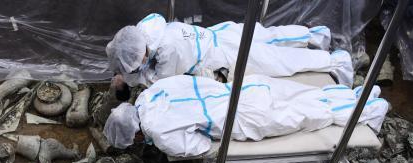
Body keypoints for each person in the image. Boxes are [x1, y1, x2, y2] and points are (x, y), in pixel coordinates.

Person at [103, 74, 388, 159]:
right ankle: (358, 95)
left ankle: (371, 109)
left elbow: (199, 147)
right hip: (245, 87)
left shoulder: (159, 133)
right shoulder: (152, 93)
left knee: (313, 115)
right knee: (307, 96)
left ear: (135, 135)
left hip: (247, 117)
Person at [106, 13, 353, 91]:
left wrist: (130, 79)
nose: (138, 65)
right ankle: (316, 36)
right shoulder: (147, 28)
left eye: (136, 62)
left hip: (224, 54)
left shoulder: (168, 50)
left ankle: (335, 62)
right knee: (270, 35)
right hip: (219, 33)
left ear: (141, 53)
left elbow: (161, 80)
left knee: (278, 61)